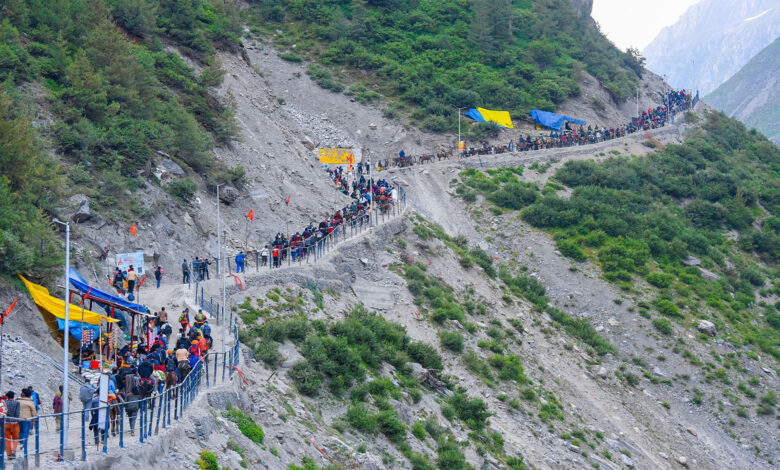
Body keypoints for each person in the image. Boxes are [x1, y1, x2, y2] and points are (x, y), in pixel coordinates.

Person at [17, 388, 36, 454]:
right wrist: (34, 419)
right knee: (26, 431)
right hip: (27, 419)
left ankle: (21, 442)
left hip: (18, 418)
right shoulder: (30, 402)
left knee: (20, 430)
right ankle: (24, 444)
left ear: (23, 393)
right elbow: (33, 411)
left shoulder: (18, 400)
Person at [5, 391, 19, 459]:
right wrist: (16, 420)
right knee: (15, 438)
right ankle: (14, 449)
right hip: (15, 423)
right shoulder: (17, 403)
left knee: (7, 439)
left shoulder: (4, 403)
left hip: (6, 423)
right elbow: (17, 413)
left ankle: (8, 454)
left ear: (7, 396)